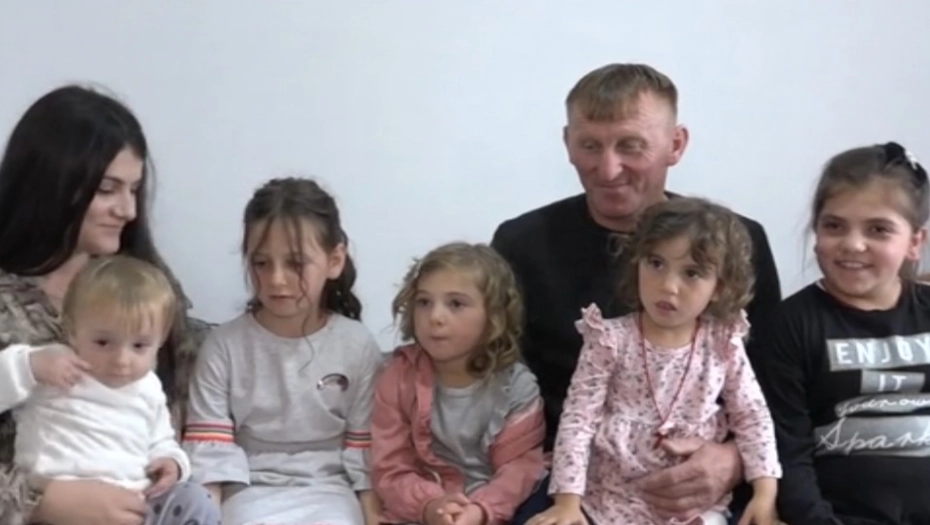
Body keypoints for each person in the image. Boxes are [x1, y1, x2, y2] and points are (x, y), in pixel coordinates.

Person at [491, 63, 783, 523]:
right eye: (590, 145)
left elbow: (772, 388)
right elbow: (498, 384)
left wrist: (733, 460)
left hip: (705, 481)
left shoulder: (738, 243)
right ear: (567, 143)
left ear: (675, 145)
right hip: (575, 479)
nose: (608, 169)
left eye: (631, 146)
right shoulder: (520, 244)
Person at [0, 85, 214, 525]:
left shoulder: (139, 282)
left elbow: (178, 405)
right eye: (107, 189)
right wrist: (40, 502)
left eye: (134, 189)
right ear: (51, 184)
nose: (128, 210)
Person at [526, 197, 781, 525]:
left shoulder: (723, 342)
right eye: (656, 263)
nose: (668, 286)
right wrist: (566, 503)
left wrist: (765, 495)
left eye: (692, 273)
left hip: (693, 506)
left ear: (720, 287)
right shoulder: (608, 340)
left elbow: (752, 416)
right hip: (608, 497)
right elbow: (578, 420)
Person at [182, 177, 383, 525]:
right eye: (261, 263)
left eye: (296, 263)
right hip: (249, 492)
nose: (276, 279)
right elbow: (209, 462)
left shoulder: (357, 345)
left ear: (334, 260)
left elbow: (366, 460)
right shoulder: (223, 347)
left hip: (331, 493)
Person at [754, 142, 930, 524]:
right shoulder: (790, 325)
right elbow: (787, 454)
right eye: (834, 226)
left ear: (915, 242)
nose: (852, 244)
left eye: (878, 229)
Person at [0, 255, 219, 525]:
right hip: (60, 505)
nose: (121, 360)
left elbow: (160, 438)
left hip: (135, 503)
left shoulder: (148, 387)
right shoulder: (56, 364)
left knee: (196, 499)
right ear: (72, 331)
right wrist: (28, 366)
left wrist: (170, 461)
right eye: (103, 342)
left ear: (159, 343)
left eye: (139, 346)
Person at [371, 242, 546, 525]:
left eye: (456, 304)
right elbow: (390, 467)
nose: (435, 317)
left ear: (494, 315)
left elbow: (520, 471)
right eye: (424, 302)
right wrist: (430, 506)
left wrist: (480, 511)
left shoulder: (517, 386)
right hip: (417, 509)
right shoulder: (398, 375)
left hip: (494, 511)